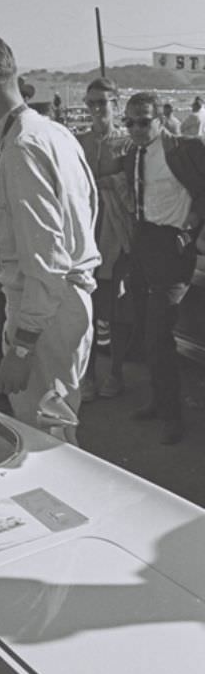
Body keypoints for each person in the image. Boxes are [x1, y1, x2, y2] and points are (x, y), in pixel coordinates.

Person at [0, 35, 99, 440]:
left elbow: (47, 262)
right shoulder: (54, 134)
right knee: (60, 424)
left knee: (46, 435)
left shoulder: (23, 148)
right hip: (64, 302)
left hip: (44, 311)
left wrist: (23, 348)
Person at [122, 92, 205, 445]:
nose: (137, 128)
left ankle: (173, 416)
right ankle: (159, 401)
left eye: (144, 121)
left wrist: (190, 229)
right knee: (145, 330)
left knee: (159, 335)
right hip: (144, 243)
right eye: (129, 122)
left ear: (160, 118)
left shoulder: (184, 149)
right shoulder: (132, 152)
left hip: (174, 249)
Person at [76, 77, 133, 401]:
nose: (97, 109)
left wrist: (106, 181)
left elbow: (132, 183)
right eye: (92, 103)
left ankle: (116, 373)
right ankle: (87, 376)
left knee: (115, 310)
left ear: (115, 103)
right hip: (85, 235)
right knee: (85, 311)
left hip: (115, 236)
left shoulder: (125, 142)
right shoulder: (79, 142)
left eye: (103, 102)